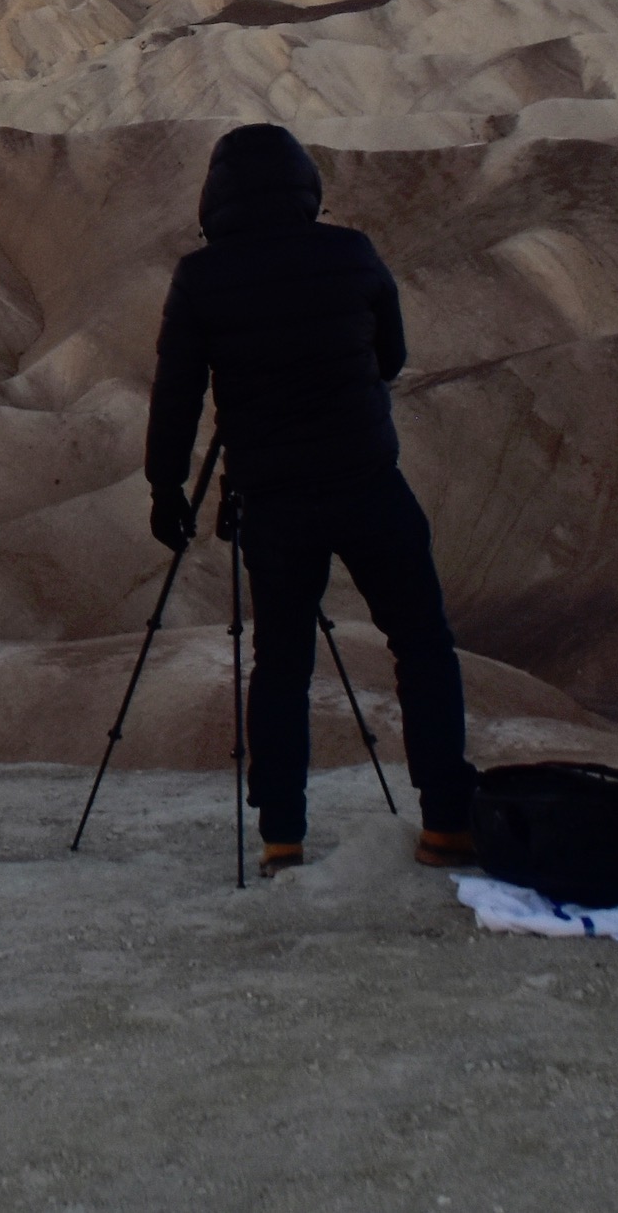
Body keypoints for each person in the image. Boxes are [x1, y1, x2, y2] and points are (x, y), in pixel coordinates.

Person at [145, 124, 477, 876]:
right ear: (305, 187)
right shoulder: (352, 252)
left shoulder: (201, 277)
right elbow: (392, 356)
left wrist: (166, 487)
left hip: (275, 502)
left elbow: (177, 393)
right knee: (422, 642)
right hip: (369, 483)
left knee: (282, 664)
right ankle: (448, 823)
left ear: (214, 199)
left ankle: (282, 840)